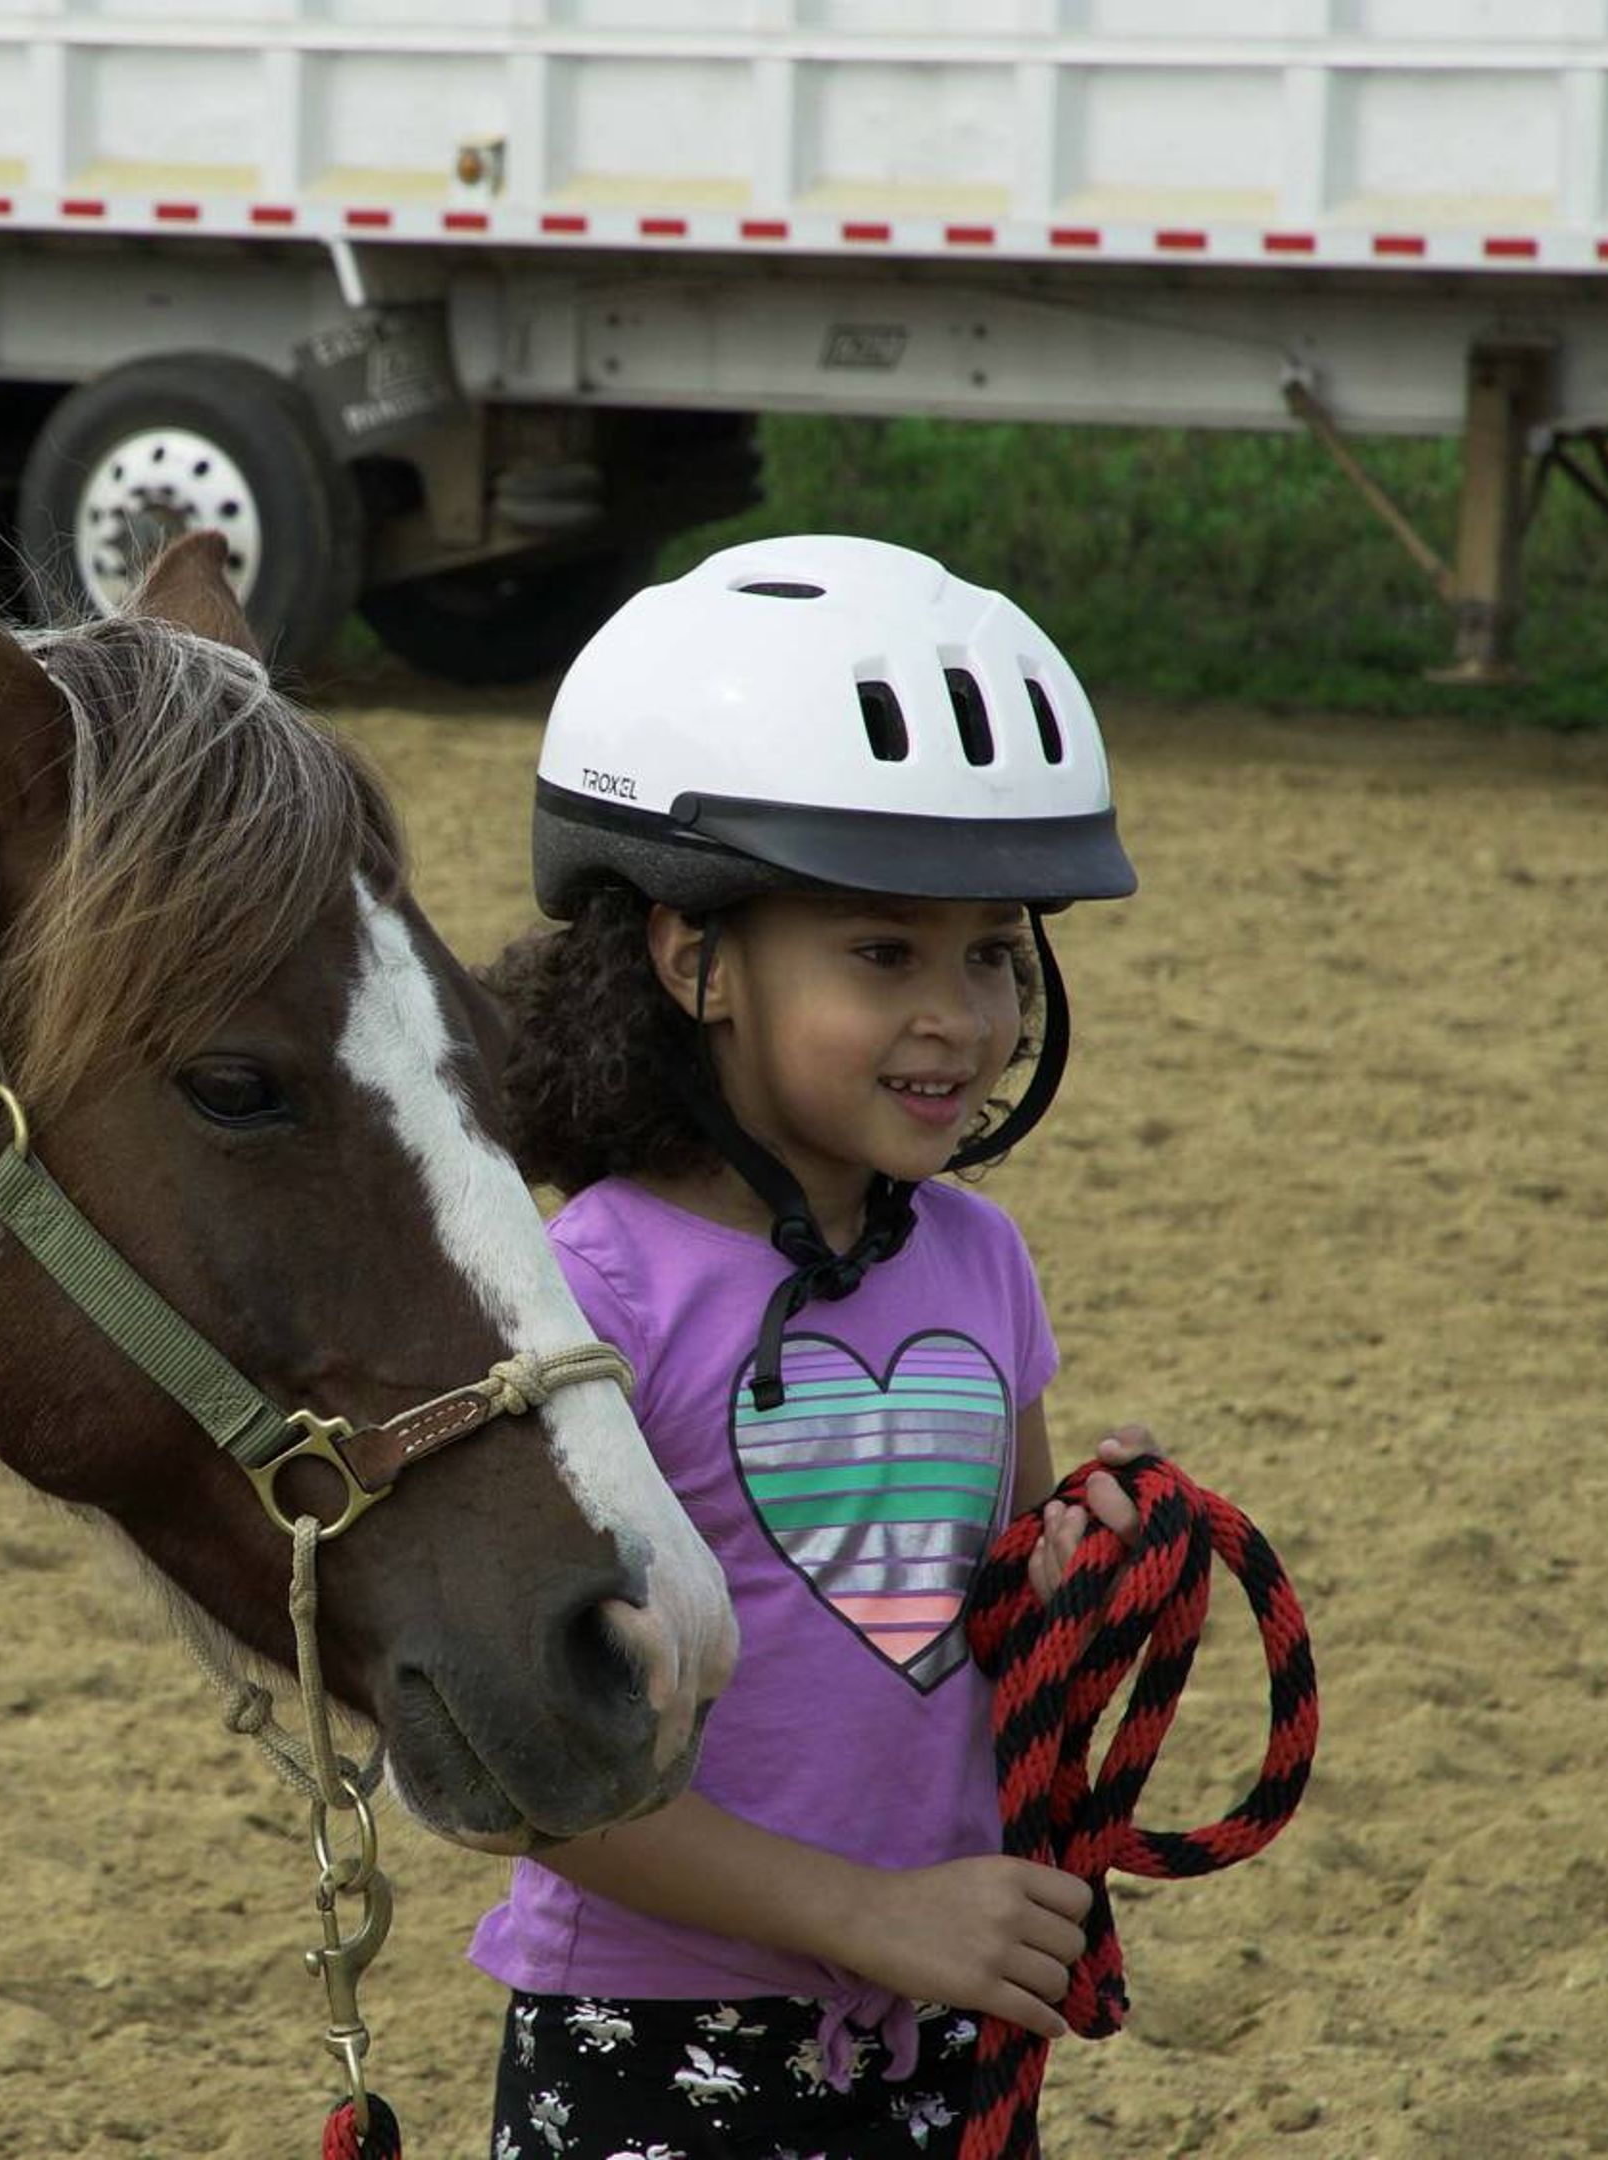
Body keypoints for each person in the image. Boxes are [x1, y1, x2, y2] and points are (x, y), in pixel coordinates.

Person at [468, 535, 1166, 2158]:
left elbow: (981, 1605)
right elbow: (535, 1769)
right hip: (657, 2037)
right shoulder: (593, 1296)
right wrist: (867, 1914)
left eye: (992, 952)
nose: (963, 1017)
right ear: (689, 955)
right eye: (883, 953)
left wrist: (1074, 1569)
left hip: (935, 2012)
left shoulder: (979, 1258)